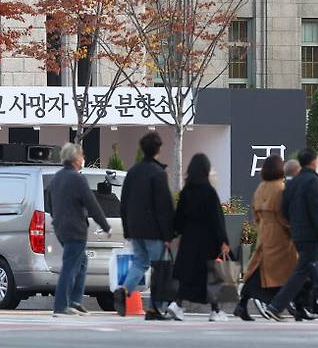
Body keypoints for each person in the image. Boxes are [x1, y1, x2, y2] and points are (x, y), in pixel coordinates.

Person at [264, 148, 318, 322]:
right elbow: (316, 210)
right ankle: (276, 306)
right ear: (313, 162)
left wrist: (295, 225)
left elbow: (283, 210)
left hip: (297, 234)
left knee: (315, 271)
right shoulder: (312, 181)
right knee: (301, 271)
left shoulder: (292, 183)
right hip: (311, 235)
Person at [114, 132, 174, 320]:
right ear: (158, 150)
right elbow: (163, 207)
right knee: (159, 267)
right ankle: (154, 308)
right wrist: (167, 235)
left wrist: (127, 229)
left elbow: (124, 202)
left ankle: (124, 290)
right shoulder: (158, 173)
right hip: (154, 230)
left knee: (140, 262)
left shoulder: (132, 172)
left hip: (135, 227)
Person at [48, 143, 111, 317]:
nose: (83, 159)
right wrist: (106, 226)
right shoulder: (78, 179)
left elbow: (51, 204)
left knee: (81, 262)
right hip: (75, 229)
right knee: (70, 266)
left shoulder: (56, 178)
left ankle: (75, 301)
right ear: (76, 159)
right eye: (82, 156)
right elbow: (92, 205)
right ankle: (61, 306)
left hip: (61, 228)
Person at [168, 153, 230, 322]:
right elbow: (217, 219)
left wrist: (174, 233)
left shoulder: (186, 191)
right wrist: (223, 240)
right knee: (212, 276)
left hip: (189, 240)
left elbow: (178, 218)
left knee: (188, 276)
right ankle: (215, 311)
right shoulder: (209, 192)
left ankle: (177, 304)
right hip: (207, 241)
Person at [234, 155, 297, 321]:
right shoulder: (281, 188)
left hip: (263, 230)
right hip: (279, 234)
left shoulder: (260, 187)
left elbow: (254, 212)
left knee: (258, 268)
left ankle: (242, 303)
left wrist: (261, 225)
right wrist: (291, 229)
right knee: (285, 271)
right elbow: (283, 214)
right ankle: (278, 305)